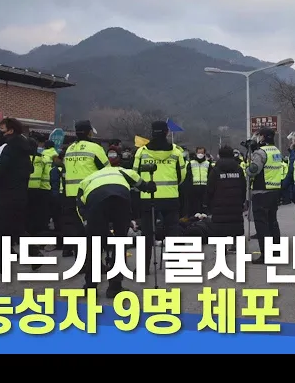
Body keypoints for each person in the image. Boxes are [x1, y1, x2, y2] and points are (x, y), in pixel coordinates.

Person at [76, 165, 156, 297]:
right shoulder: (122, 171)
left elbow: (79, 204)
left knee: (95, 245)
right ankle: (114, 287)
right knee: (119, 243)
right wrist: (149, 187)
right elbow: (140, 183)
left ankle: (90, 287)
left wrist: (87, 223)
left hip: (95, 201)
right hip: (120, 199)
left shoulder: (87, 179)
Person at [133, 120, 187, 274]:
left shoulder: (141, 152)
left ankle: (143, 267)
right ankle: (174, 264)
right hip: (170, 197)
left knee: (147, 233)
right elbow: (182, 175)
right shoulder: (176, 152)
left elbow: (135, 175)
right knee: (172, 230)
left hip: (147, 197)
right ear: (167, 132)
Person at [0, 118, 34, 272]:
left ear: (10, 131)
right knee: (16, 227)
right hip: (19, 195)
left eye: (2, 129)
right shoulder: (25, 149)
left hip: (2, 196)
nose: (0, 132)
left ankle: (2, 264)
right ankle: (34, 254)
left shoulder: (5, 147)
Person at [62, 120, 109, 259]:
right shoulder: (95, 148)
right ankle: (94, 261)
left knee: (78, 229)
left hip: (71, 195)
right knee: (94, 228)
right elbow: (106, 170)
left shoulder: (70, 149)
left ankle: (81, 260)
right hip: (90, 195)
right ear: (89, 132)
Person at [247, 127, 282, 264]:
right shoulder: (276, 151)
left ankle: (266, 254)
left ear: (262, 137)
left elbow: (253, 170)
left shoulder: (261, 153)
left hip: (262, 190)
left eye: (258, 135)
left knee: (262, 224)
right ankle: (277, 252)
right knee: (273, 222)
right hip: (275, 189)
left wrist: (248, 167)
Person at [202, 145, 246, 238]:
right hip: (236, 204)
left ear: (220, 155)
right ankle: (236, 244)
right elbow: (243, 187)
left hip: (219, 205)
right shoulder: (238, 169)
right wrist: (242, 201)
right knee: (235, 227)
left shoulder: (215, 170)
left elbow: (210, 188)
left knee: (220, 230)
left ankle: (222, 245)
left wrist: (206, 203)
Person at [187, 146, 211, 216]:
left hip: (205, 187)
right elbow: (188, 176)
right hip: (194, 187)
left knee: (204, 205)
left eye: (202, 153)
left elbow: (210, 176)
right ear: (196, 153)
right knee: (194, 205)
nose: (200, 154)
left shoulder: (207, 164)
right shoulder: (191, 163)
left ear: (204, 154)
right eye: (199, 152)